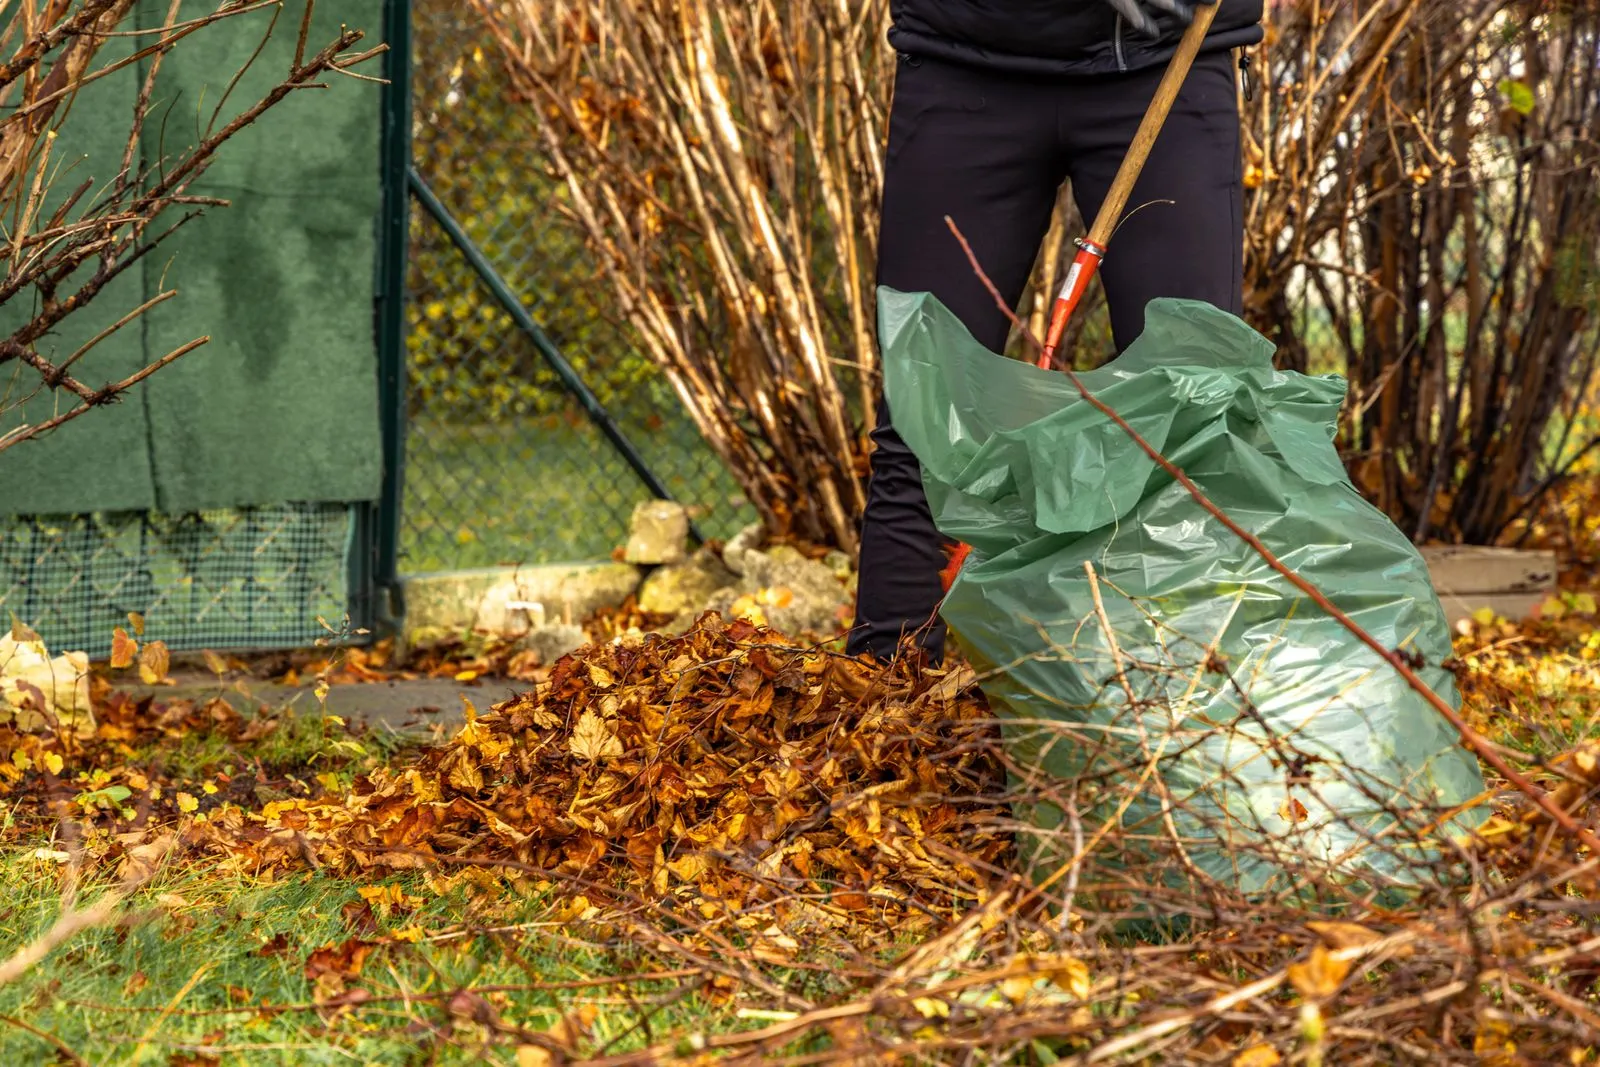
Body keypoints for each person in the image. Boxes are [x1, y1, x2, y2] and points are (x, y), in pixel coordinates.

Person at [847, 0, 1265, 664]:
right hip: (964, 57)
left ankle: (1191, 715)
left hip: (1168, 59)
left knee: (1193, 422)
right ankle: (884, 704)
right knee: (922, 419)